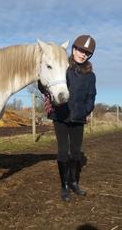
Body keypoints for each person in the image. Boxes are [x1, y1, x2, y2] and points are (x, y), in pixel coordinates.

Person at [38, 35, 96, 201]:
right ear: (73, 49)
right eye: (79, 50)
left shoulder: (90, 76)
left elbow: (91, 97)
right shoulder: (63, 67)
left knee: (76, 153)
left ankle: (74, 182)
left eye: (86, 52)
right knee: (63, 152)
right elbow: (46, 83)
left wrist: (84, 111)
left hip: (78, 118)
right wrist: (42, 83)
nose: (82, 54)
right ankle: (64, 186)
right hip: (61, 116)